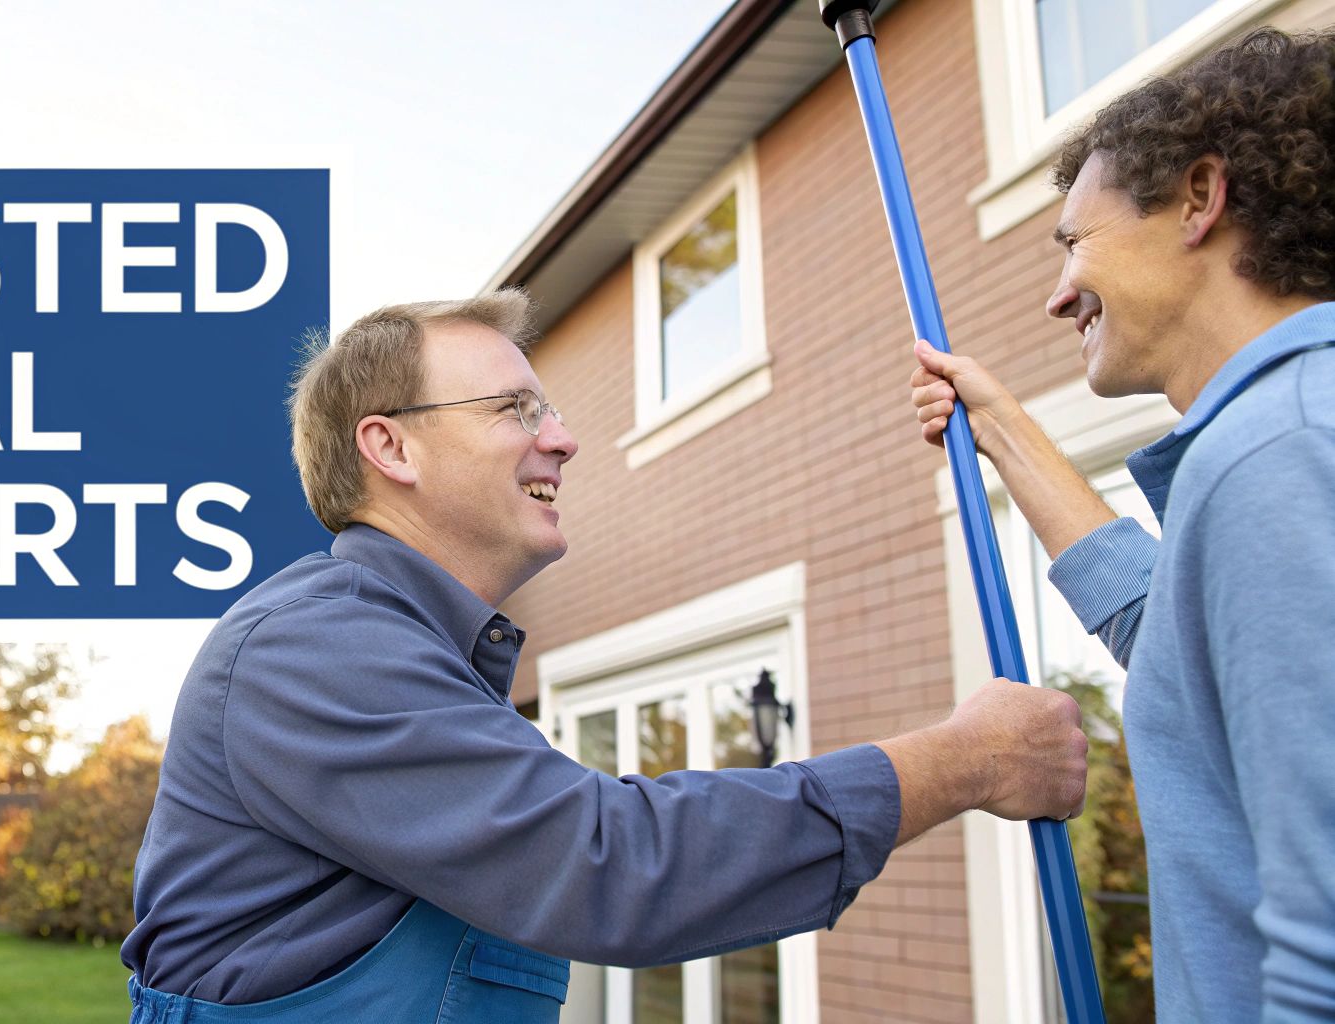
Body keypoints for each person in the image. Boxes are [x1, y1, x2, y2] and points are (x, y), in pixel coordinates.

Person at [121, 291, 1087, 1024]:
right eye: (514, 409)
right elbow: (610, 865)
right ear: (391, 448)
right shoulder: (313, 649)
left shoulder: (419, 659)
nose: (565, 440)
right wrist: (971, 759)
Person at [908, 28, 1335, 1022]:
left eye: (1074, 242)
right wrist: (1001, 429)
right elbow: (1176, 651)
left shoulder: (1283, 451)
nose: (1058, 295)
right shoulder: (1274, 440)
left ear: (1198, 196)